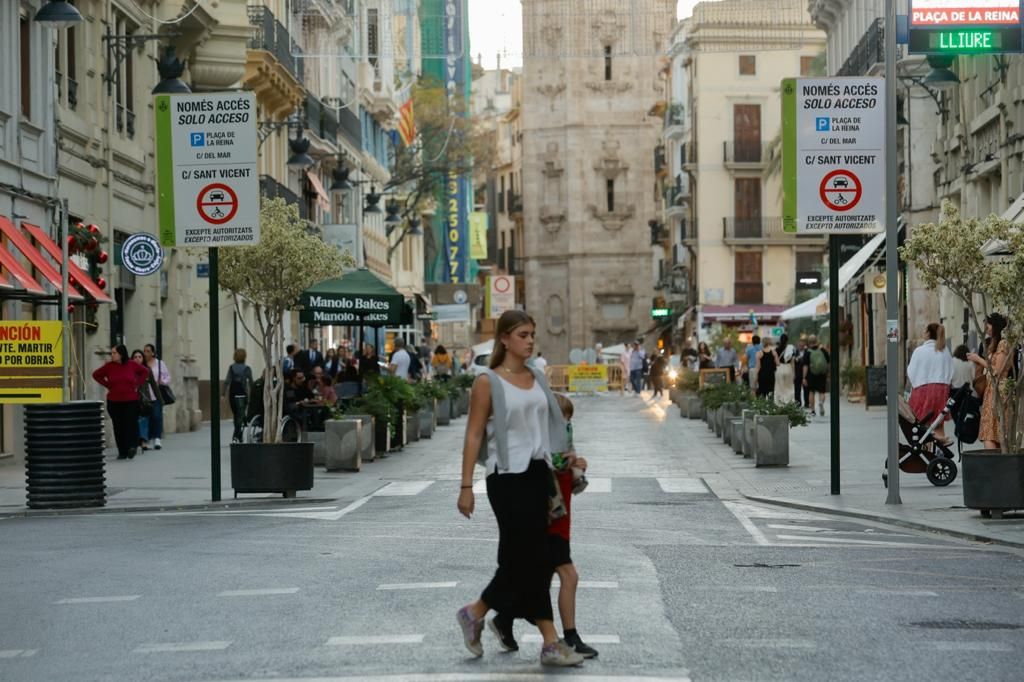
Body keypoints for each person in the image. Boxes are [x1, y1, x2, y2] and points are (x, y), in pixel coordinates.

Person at [455, 310, 583, 667]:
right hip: (506, 478)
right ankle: (545, 639)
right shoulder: (488, 382)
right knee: (534, 556)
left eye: (532, 334)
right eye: (523, 335)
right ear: (505, 339)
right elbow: (474, 434)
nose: (529, 341)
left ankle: (483, 614)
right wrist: (466, 486)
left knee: (525, 559)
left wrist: (568, 462)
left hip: (539, 475)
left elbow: (554, 428)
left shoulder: (538, 378)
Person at [489, 393, 597, 659]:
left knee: (537, 582)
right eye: (564, 422)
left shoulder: (560, 447)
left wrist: (577, 470)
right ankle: (569, 637)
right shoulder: (540, 447)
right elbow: (551, 465)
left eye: (570, 421)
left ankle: (504, 618)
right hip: (547, 521)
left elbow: (571, 483)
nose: (568, 427)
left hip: (560, 520)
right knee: (568, 575)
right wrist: (571, 463)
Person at [93, 345, 150, 460]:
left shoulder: (131, 364)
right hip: (114, 401)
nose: (112, 355)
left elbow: (145, 372)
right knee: (118, 426)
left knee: (130, 424)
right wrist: (107, 385)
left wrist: (137, 384)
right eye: (112, 353)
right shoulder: (108, 366)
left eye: (114, 353)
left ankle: (131, 447)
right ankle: (122, 451)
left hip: (131, 401)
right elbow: (96, 375)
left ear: (121, 354)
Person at [907, 323, 955, 443]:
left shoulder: (919, 351)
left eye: (924, 330)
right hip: (941, 390)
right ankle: (940, 454)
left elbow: (911, 371)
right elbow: (951, 371)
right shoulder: (945, 351)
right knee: (938, 423)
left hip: (922, 390)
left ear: (928, 333)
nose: (923, 332)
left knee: (922, 424)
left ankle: (927, 452)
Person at [969, 313, 1010, 450]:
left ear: (995, 326)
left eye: (988, 324)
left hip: (999, 390)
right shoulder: (994, 343)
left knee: (992, 432)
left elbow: (998, 370)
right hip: (991, 390)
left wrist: (978, 359)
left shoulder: (1003, 343)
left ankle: (994, 466)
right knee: (991, 432)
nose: (986, 327)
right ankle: (996, 467)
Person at [142, 344, 171, 450]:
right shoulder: (142, 364)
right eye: (144, 351)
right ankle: (147, 438)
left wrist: (162, 382)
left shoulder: (159, 364)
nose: (145, 353)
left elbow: (168, 377)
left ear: (153, 353)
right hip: (145, 395)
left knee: (157, 416)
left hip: (156, 394)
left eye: (148, 351)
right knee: (147, 418)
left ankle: (157, 438)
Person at [223, 348, 253, 444]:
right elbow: (251, 383)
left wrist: (223, 393)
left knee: (236, 415)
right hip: (243, 393)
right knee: (241, 415)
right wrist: (252, 395)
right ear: (244, 357)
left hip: (233, 394)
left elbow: (227, 381)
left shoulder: (231, 368)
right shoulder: (247, 369)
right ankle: (237, 435)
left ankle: (237, 435)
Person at [131, 350, 155, 451]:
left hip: (144, 399)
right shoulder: (129, 370)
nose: (137, 359)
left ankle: (143, 441)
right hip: (132, 398)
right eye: (135, 357)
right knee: (135, 421)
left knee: (144, 420)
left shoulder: (147, 370)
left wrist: (160, 400)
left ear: (143, 359)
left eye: (140, 357)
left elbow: (154, 385)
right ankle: (136, 441)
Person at [801, 335, 830, 416]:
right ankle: (821, 402)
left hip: (811, 374)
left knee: (811, 392)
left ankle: (813, 411)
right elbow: (828, 361)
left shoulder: (808, 352)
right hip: (822, 374)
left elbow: (805, 366)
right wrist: (827, 372)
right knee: (822, 391)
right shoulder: (822, 350)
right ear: (816, 341)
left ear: (809, 342)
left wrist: (804, 377)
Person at [775, 334, 794, 403]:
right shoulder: (790, 349)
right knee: (789, 387)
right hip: (788, 367)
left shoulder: (776, 349)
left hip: (779, 368)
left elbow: (775, 361)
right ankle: (788, 402)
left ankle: (780, 403)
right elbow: (792, 361)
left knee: (779, 387)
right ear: (787, 340)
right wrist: (794, 372)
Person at [792, 339, 809, 406]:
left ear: (804, 345)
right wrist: (796, 359)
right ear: (798, 345)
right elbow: (792, 361)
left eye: (802, 345)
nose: (801, 346)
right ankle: (798, 403)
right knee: (797, 389)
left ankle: (807, 403)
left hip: (805, 373)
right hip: (797, 373)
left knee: (806, 389)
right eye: (800, 345)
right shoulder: (795, 352)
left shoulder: (807, 352)